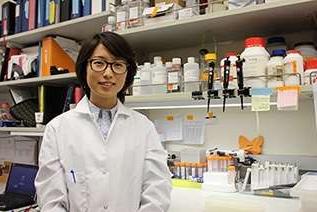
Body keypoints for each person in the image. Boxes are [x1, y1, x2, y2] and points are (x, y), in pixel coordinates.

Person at [35, 32, 172, 212]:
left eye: (117, 65)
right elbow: (50, 199)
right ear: (85, 68)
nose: (108, 73)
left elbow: (157, 189)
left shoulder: (144, 127)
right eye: (99, 63)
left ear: (127, 72)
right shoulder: (58, 128)